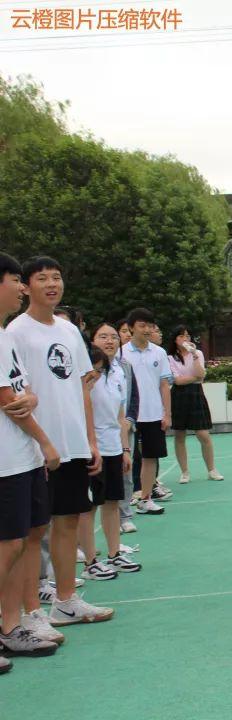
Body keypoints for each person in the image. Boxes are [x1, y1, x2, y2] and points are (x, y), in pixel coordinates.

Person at [6, 256, 112, 626]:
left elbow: (82, 388)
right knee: (34, 533)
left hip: (73, 444)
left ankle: (65, 600)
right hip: (36, 449)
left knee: (68, 521)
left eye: (57, 277)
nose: (52, 284)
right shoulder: (16, 331)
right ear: (26, 286)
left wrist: (90, 440)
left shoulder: (69, 332)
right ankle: (29, 612)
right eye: (42, 278)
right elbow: (17, 393)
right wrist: (40, 441)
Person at [0, 252, 63, 665]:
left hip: (19, 459)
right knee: (7, 546)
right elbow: (10, 402)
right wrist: (46, 443)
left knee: (18, 544)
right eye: (16, 280)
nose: (22, 288)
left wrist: (33, 397)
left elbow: (22, 393)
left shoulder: (3, 335)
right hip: (7, 460)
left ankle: (10, 626)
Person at [82, 343, 141, 576]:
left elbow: (120, 415)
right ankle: (90, 561)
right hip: (91, 451)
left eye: (100, 370)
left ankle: (114, 554)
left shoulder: (116, 375)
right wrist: (91, 445)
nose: (96, 374)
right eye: (93, 369)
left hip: (113, 447)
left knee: (112, 502)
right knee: (90, 506)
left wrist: (125, 448)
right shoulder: (82, 384)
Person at [123, 308, 172, 514]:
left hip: (153, 413)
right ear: (131, 328)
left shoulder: (159, 353)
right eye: (142, 325)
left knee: (151, 457)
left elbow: (164, 385)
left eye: (149, 326)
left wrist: (167, 413)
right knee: (126, 459)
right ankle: (123, 505)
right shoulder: (121, 352)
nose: (146, 330)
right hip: (128, 416)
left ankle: (145, 498)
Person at [166, 326, 224, 484]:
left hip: (196, 394)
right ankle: (184, 472)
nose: (186, 339)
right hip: (178, 395)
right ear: (175, 339)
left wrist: (193, 355)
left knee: (203, 434)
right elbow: (177, 380)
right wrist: (195, 377)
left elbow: (201, 374)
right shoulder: (170, 357)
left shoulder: (197, 353)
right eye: (182, 336)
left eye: (188, 336)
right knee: (179, 435)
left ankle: (212, 469)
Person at [115, 320, 140, 534]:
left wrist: (130, 420)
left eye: (114, 337)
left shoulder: (125, 365)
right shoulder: (91, 367)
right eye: (103, 337)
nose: (111, 341)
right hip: (102, 430)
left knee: (126, 472)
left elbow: (134, 396)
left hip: (126, 426)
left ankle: (125, 516)